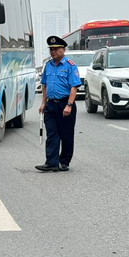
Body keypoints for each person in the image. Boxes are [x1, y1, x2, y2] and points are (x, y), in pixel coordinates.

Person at [36, 35, 82, 172]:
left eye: (56, 49)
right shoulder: (48, 66)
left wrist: (69, 105)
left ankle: (64, 162)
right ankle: (51, 162)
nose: (53, 52)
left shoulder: (70, 66)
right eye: (51, 49)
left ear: (63, 50)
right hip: (51, 105)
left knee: (66, 135)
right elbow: (44, 85)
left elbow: (74, 86)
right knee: (52, 134)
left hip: (65, 104)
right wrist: (43, 103)